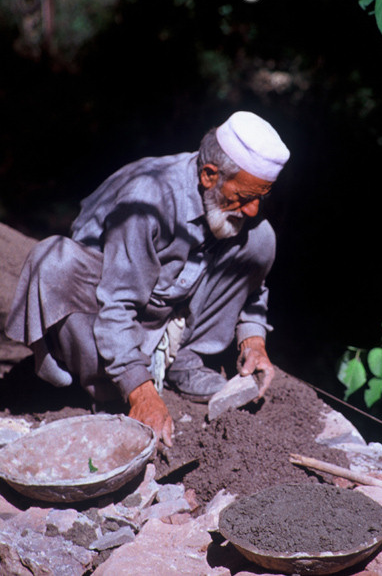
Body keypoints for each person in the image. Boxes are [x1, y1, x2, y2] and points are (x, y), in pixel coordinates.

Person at [6, 111, 290, 449]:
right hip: (103, 313)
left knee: (259, 239)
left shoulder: (237, 207)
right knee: (54, 262)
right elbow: (117, 303)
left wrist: (252, 341)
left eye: (262, 196)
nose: (253, 209)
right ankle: (110, 388)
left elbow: (253, 290)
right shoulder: (148, 202)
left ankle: (180, 361)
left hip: (168, 310)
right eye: (244, 197)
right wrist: (140, 392)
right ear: (209, 175)